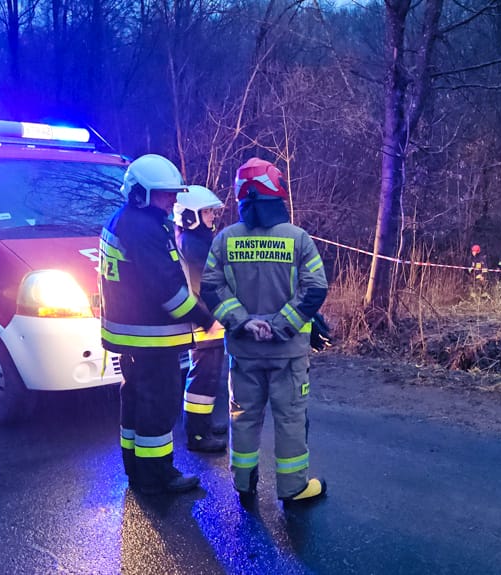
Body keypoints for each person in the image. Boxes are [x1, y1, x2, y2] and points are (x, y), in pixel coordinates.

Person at [200, 157, 329, 506]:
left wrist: (243, 321)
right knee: (290, 418)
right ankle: (293, 488)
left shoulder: (225, 240)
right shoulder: (298, 239)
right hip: (288, 353)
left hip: (243, 351)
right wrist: (279, 325)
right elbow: (315, 289)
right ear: (277, 192)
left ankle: (244, 483)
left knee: (243, 417)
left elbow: (211, 289)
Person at [99, 154, 221, 495]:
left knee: (134, 401)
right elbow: (168, 289)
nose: (172, 200)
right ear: (141, 193)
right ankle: (158, 476)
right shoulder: (144, 229)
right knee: (158, 406)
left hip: (132, 336)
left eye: (173, 193)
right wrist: (203, 317)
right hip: (151, 338)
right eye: (165, 193)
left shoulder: (123, 221)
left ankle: (137, 470)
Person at [174, 185, 228, 453]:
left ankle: (203, 425)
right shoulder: (193, 243)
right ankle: (197, 435)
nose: (211, 217)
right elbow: (204, 284)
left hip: (207, 320)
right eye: (206, 212)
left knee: (208, 377)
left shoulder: (194, 240)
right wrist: (213, 318)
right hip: (205, 322)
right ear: (190, 215)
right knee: (202, 378)